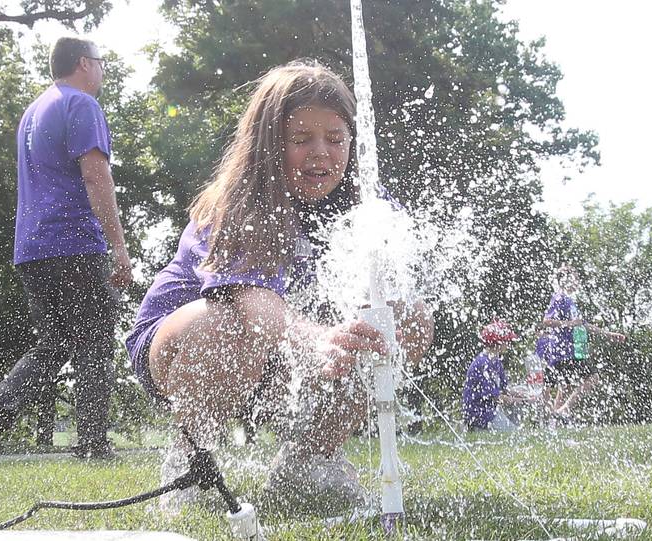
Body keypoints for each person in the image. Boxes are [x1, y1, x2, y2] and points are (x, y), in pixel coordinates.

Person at [124, 60, 434, 513]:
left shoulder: (362, 207)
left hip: (285, 359)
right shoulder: (238, 204)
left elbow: (379, 298)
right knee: (222, 322)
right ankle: (191, 462)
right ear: (269, 144)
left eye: (335, 138)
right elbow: (252, 304)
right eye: (301, 139)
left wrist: (383, 319)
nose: (321, 154)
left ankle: (310, 457)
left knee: (404, 316)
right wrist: (319, 340)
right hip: (188, 351)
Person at [0, 37, 132, 465]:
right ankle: (93, 444)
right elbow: (96, 176)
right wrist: (119, 246)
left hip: (32, 246)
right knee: (93, 342)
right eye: (100, 61)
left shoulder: (34, 111)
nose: (103, 70)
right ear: (83, 64)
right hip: (74, 241)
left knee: (54, 345)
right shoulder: (82, 105)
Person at [540, 265, 625, 420]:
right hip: (563, 349)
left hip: (569, 349)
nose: (577, 282)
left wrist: (607, 334)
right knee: (593, 378)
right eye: (575, 278)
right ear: (565, 280)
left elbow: (583, 324)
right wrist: (570, 324)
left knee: (565, 386)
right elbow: (546, 321)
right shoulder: (560, 298)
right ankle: (564, 410)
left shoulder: (570, 301)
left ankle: (555, 419)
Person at [462, 320, 540, 431]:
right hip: (480, 414)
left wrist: (527, 395)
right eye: (506, 340)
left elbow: (505, 389)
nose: (508, 343)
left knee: (516, 425)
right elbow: (497, 398)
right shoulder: (483, 364)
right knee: (514, 435)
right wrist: (525, 401)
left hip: (490, 411)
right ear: (498, 342)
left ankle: (516, 427)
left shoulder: (495, 360)